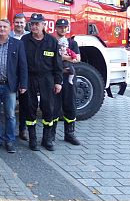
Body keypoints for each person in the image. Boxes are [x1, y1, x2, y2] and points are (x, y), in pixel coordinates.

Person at [0, 19, 28, 153]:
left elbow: (23, 65)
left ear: (10, 29)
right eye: (0, 26)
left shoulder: (17, 44)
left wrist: (23, 84)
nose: (2, 29)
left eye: (5, 27)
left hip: (10, 86)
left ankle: (9, 141)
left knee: (10, 115)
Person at [21, 13, 62, 151]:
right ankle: (32, 139)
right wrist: (22, 82)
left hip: (47, 79)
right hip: (30, 78)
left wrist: (58, 82)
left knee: (48, 108)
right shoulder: (24, 40)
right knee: (30, 108)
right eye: (32, 24)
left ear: (44, 25)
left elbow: (58, 64)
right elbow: (20, 63)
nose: (34, 26)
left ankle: (47, 139)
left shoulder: (51, 41)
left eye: (37, 24)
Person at [54, 18, 81, 146]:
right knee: (53, 107)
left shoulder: (72, 43)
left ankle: (69, 134)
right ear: (56, 28)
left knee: (70, 105)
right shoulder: (52, 41)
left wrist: (61, 57)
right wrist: (68, 58)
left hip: (69, 78)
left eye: (65, 27)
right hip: (56, 78)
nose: (62, 29)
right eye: (60, 27)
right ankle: (50, 135)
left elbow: (77, 59)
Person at [10, 13, 30, 141]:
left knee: (24, 104)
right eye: (17, 22)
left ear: (25, 23)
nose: (19, 25)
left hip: (25, 74)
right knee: (10, 104)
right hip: (11, 74)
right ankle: (9, 130)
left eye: (21, 22)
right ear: (13, 23)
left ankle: (23, 129)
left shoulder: (29, 37)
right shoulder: (8, 35)